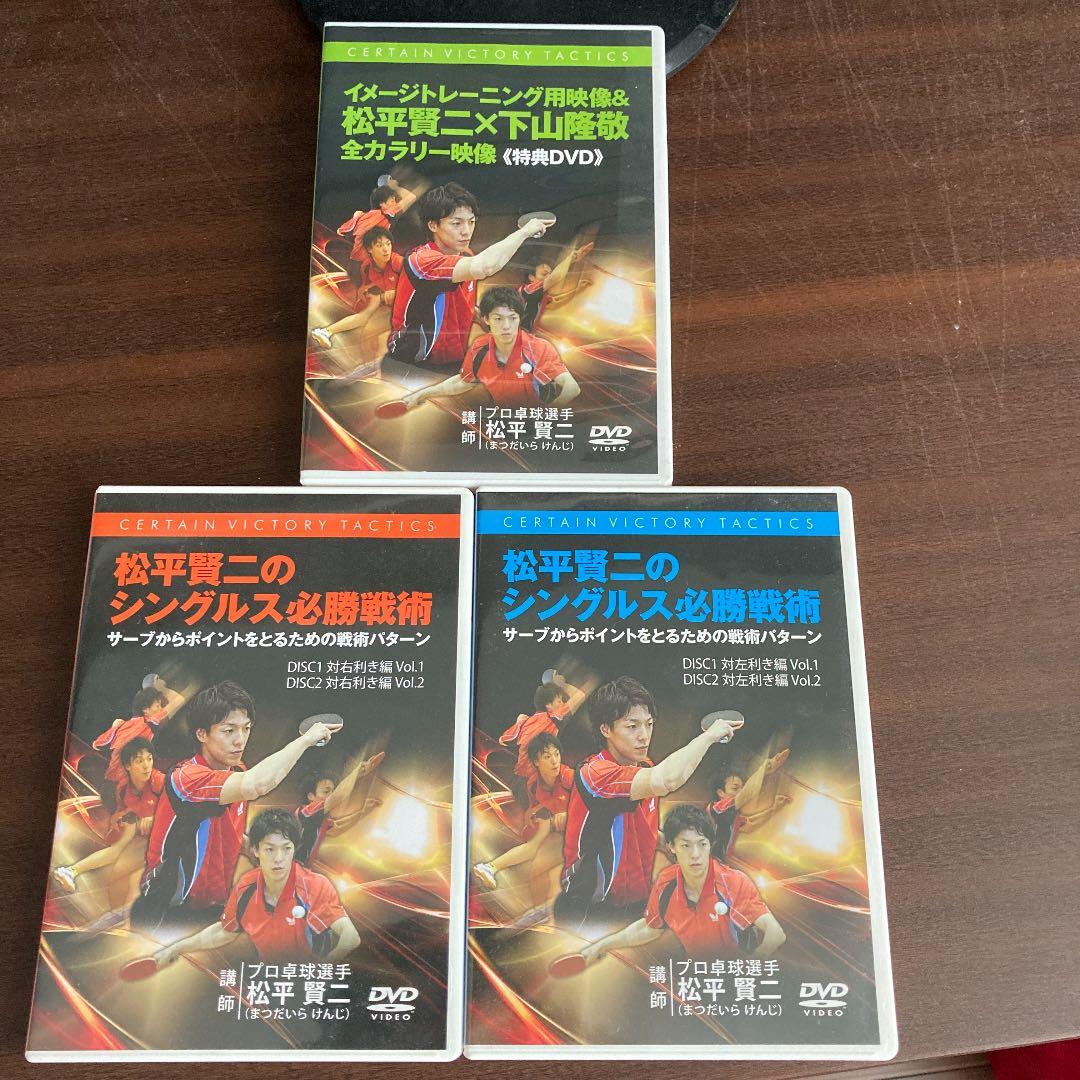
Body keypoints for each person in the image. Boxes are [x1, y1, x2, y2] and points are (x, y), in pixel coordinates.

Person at [129, 681, 341, 932]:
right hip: (165, 910)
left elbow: (225, 827)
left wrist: (255, 851)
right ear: (201, 734)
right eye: (229, 730)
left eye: (246, 729)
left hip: (210, 909)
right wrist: (305, 740)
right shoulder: (186, 778)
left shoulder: (238, 771)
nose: (240, 740)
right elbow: (257, 784)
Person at [555, 677, 744, 933]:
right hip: (589, 908)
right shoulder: (595, 774)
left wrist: (667, 844)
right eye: (632, 726)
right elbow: (667, 779)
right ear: (606, 729)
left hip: (635, 904)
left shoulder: (645, 767)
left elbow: (637, 823)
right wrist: (708, 737)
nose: (644, 736)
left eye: (649, 724)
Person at [577, 804, 785, 965]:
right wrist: (601, 946)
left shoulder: (733, 882)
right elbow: (649, 928)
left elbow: (775, 934)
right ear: (671, 847)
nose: (695, 854)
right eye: (686, 845)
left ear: (710, 844)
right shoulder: (666, 884)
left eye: (702, 844)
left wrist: (752, 964)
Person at [149, 808, 360, 966]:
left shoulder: (314, 886)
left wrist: (321, 969)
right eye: (270, 849)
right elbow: (224, 931)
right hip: (271, 982)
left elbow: (350, 937)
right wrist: (176, 948)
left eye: (286, 848)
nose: (279, 858)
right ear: (255, 850)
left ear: (294, 849)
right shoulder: (246, 887)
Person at [383, 183, 551, 372]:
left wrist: (494, 324)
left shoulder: (467, 256)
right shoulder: (421, 261)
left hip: (450, 363)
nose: (466, 231)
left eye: (471, 222)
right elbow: (486, 266)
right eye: (457, 223)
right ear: (433, 225)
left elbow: (462, 303)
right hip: (409, 366)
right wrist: (524, 232)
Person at [397, 287, 580, 411]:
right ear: (486, 319)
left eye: (512, 318)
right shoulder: (480, 348)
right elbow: (462, 382)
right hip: (507, 423)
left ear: (520, 318)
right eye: (498, 319)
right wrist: (422, 394)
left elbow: (571, 388)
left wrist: (544, 416)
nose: (506, 326)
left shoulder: (538, 348)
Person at [53, 737, 164, 894]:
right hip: (145, 833)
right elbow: (123, 810)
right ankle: (70, 871)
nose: (146, 765)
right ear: (128, 766)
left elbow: (181, 810)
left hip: (169, 832)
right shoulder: (123, 789)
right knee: (117, 849)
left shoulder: (160, 781)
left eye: (149, 759)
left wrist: (156, 818)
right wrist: (117, 818)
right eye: (139, 761)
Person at [474, 732, 573, 893]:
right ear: (536, 762)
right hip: (559, 825)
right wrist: (532, 811)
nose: (555, 761)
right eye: (547, 757)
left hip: (585, 825)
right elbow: (536, 805)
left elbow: (592, 805)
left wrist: (571, 814)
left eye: (557, 754)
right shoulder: (533, 784)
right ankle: (489, 868)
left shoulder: (569, 777)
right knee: (533, 846)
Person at [310, 226, 405, 352]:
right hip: (390, 305)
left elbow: (418, 285)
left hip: (409, 305)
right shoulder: (366, 267)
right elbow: (366, 286)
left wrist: (398, 292)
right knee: (364, 316)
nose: (386, 249)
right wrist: (364, 290)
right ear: (369, 249)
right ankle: (325, 332)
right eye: (379, 245)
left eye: (388, 244)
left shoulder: (398, 262)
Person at [296, 752, 384, 865]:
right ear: (311, 796)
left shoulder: (318, 819)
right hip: (293, 865)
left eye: (332, 791)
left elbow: (337, 828)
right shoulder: (306, 811)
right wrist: (358, 771)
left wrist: (363, 811)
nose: (331, 795)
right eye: (326, 791)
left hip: (302, 868)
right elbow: (339, 796)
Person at [707, 749, 791, 861]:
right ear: (720, 793)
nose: (740, 791)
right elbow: (745, 794)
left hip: (719, 862)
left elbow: (751, 824)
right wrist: (766, 769)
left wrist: (775, 808)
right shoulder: (717, 808)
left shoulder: (730, 815)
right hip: (707, 862)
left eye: (741, 788)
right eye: (735, 788)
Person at [92, 683, 173, 785]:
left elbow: (97, 744)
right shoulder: (145, 723)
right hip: (121, 781)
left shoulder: (124, 724)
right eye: (158, 706)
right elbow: (171, 707)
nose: (160, 709)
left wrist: (114, 728)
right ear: (145, 709)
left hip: (111, 778)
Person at [336, 178, 417, 274]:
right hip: (365, 265)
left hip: (354, 262)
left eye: (395, 200)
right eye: (392, 201)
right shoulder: (385, 214)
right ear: (382, 204)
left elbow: (339, 231)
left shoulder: (361, 216)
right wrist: (394, 186)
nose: (395, 203)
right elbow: (412, 197)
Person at [518, 241, 594, 333]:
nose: (548, 277)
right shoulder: (527, 290)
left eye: (549, 274)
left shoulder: (539, 295)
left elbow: (557, 300)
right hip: (519, 334)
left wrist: (578, 289)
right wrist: (572, 257)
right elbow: (555, 277)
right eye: (544, 274)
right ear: (531, 277)